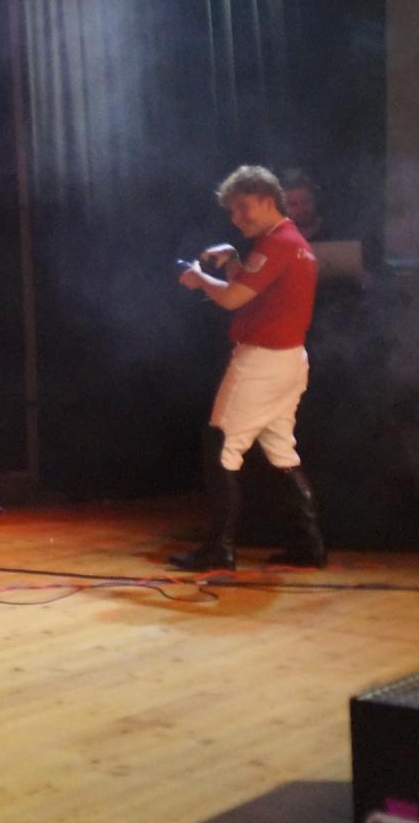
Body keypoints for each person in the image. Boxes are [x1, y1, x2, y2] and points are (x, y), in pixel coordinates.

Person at [173, 164, 327, 571]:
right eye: (232, 211)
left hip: (262, 360)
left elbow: (232, 299)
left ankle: (220, 548)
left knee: (221, 445)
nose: (237, 218)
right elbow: (253, 290)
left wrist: (199, 279)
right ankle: (309, 545)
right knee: (281, 452)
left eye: (243, 208)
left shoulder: (278, 243)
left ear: (267, 199)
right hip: (289, 360)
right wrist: (232, 259)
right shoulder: (292, 242)